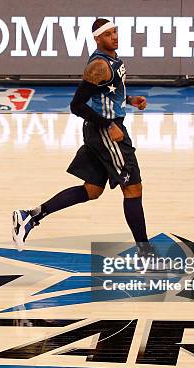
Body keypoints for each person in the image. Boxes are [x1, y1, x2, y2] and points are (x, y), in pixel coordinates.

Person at [12, 18, 148, 251]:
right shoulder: (99, 65)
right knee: (132, 188)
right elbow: (77, 105)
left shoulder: (114, 60)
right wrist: (108, 125)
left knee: (92, 190)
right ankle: (146, 252)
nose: (114, 37)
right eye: (108, 34)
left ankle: (31, 216)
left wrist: (129, 100)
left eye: (115, 32)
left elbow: (105, 95)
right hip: (105, 131)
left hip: (102, 129)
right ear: (97, 38)